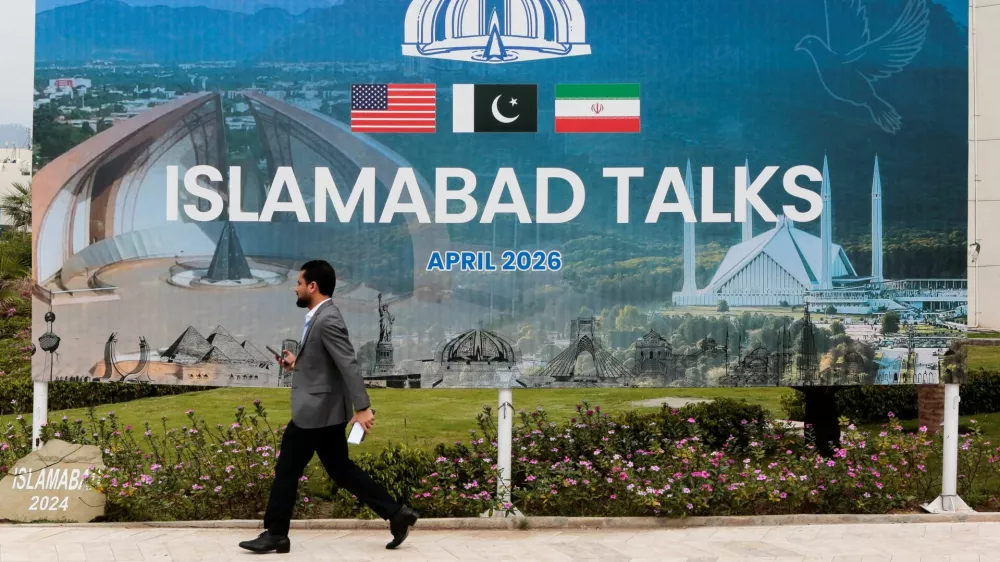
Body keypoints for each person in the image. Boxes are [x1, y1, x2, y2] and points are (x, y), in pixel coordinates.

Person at [239, 260, 418, 554]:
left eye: (299, 283)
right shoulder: (321, 317)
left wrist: (363, 407)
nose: (295, 288)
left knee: (287, 470)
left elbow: (348, 363)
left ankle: (275, 534)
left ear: (313, 286)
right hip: (326, 412)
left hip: (315, 413)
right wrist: (296, 362)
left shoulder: (327, 319)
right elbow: (328, 363)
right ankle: (397, 514)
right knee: (341, 469)